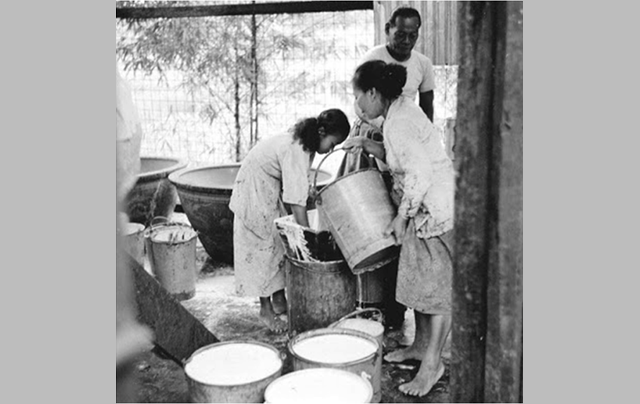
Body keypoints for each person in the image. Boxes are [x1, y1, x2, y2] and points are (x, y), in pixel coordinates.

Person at [342, 60, 454, 397]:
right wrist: (364, 144)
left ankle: (433, 365)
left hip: (434, 211)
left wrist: (402, 217)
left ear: (374, 93)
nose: (358, 105)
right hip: (424, 207)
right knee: (421, 283)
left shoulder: (400, 122)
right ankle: (421, 347)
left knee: (435, 294)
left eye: (359, 97)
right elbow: (400, 159)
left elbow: (418, 173)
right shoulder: (398, 111)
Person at [229, 109, 350, 333]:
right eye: (332, 144)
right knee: (262, 248)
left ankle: (279, 298)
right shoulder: (299, 149)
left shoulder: (307, 144)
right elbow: (296, 202)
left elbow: (298, 185)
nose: (330, 150)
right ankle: (266, 310)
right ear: (322, 132)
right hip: (254, 188)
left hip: (268, 187)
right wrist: (306, 236)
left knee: (277, 244)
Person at [360, 5, 435, 121]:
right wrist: (382, 126)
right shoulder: (371, 59)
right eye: (400, 35)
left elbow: (427, 108)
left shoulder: (423, 63)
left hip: (404, 126)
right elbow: (359, 104)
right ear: (387, 29)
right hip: (372, 125)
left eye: (412, 36)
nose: (406, 41)